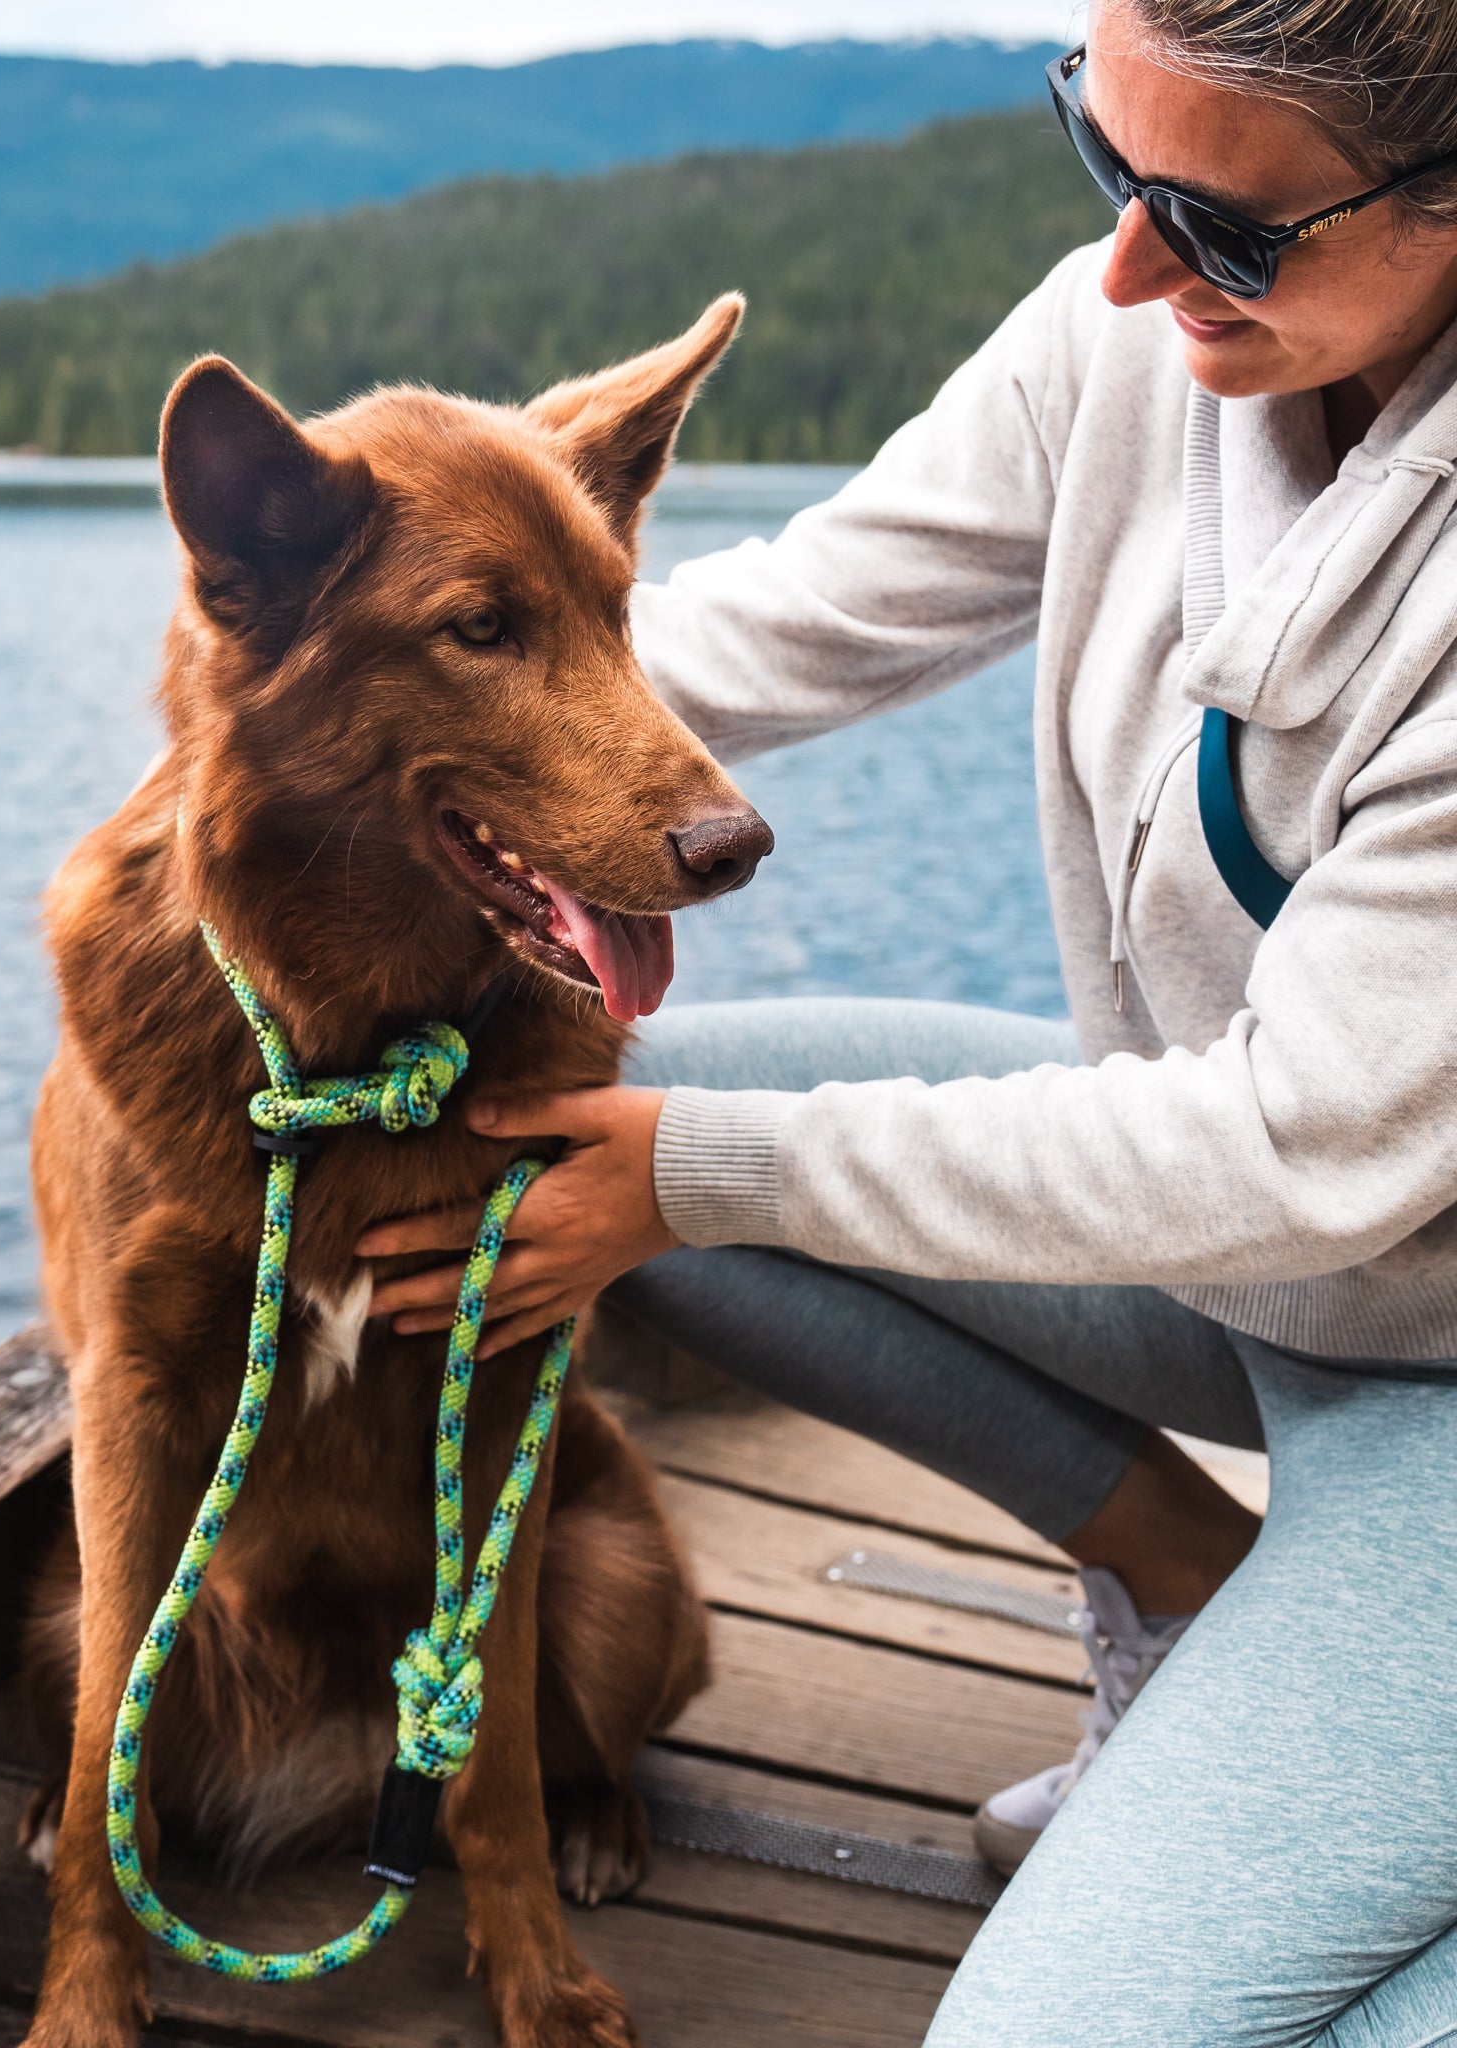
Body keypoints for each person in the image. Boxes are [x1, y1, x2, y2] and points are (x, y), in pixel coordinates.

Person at [357, 1, 1457, 2040]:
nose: (1128, 271)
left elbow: (1298, 1141)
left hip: (1430, 1372)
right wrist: (382, 749)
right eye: (1104, 163)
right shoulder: (1123, 334)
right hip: (1284, 1290)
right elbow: (770, 625)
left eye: (1218, 227)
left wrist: (714, 1176)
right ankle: (1189, 1595)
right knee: (585, 1139)